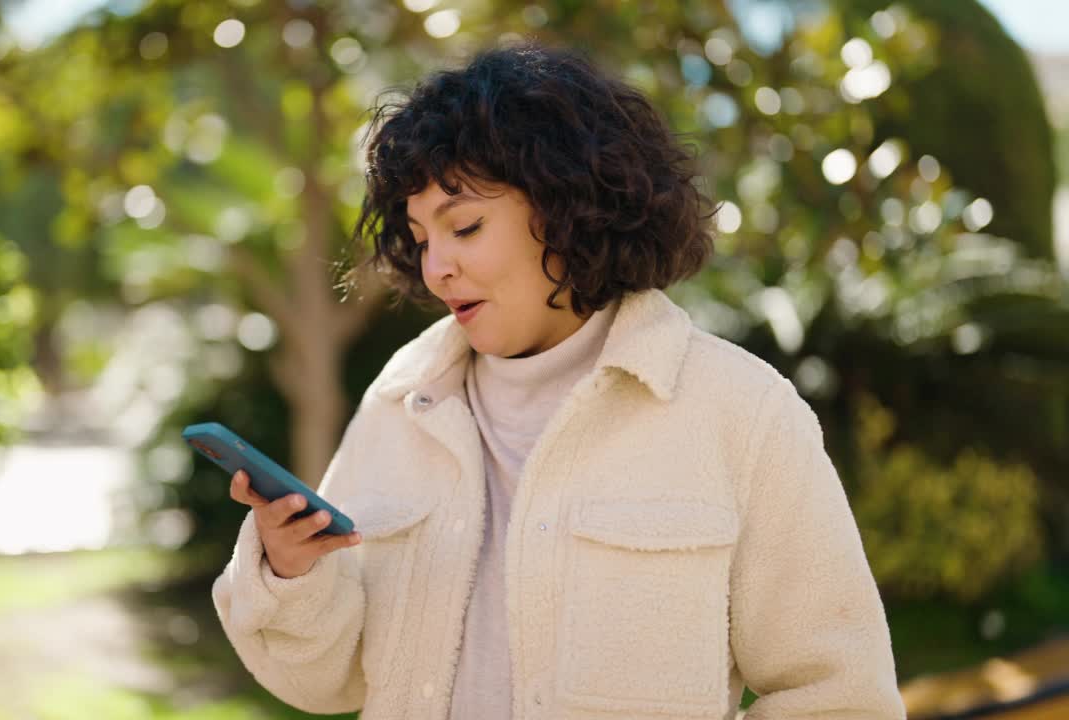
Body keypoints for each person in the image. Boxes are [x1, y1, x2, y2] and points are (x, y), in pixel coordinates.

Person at [212, 41, 904, 719]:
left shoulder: (743, 413)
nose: (435, 268)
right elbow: (325, 683)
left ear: (570, 206)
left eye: (466, 226)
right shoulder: (402, 400)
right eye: (422, 239)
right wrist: (292, 572)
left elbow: (841, 697)